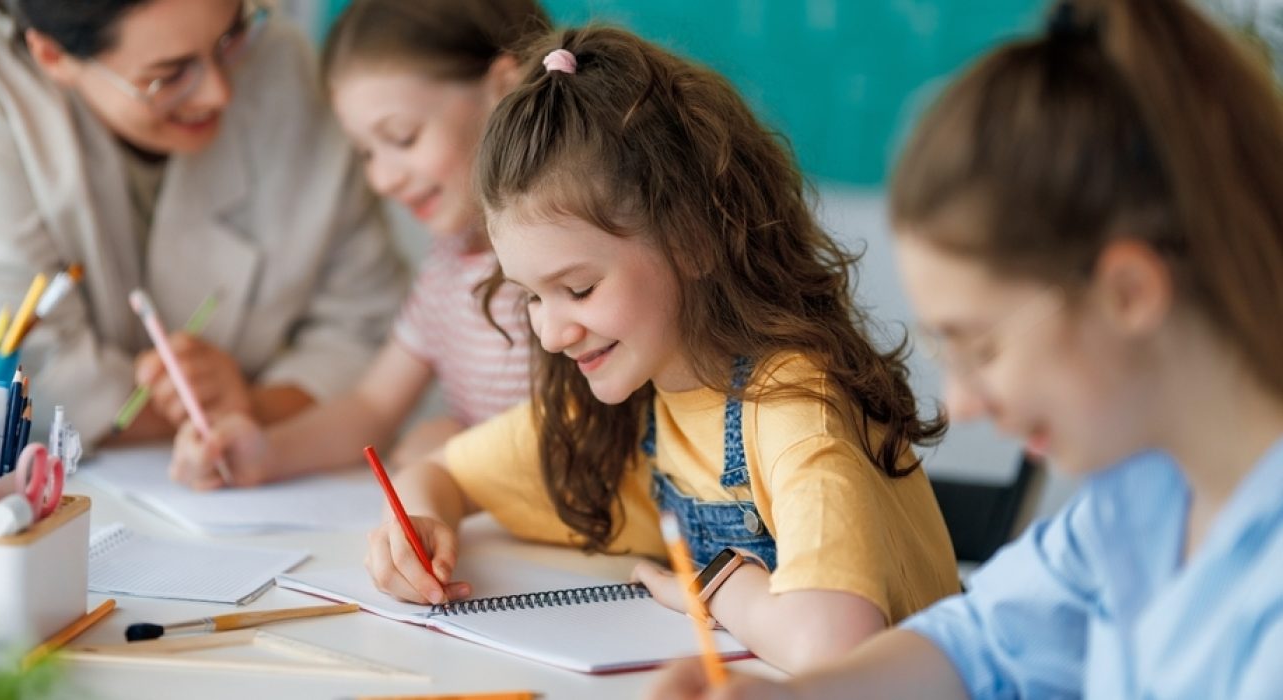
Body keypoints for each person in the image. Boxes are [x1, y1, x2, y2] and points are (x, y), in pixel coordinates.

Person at [648, 0, 1283, 697]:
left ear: (1128, 293)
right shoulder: (1138, 498)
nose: (961, 402)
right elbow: (980, 643)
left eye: (980, 347)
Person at [364, 26, 961, 673]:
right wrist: (416, 524)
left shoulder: (791, 406)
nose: (551, 332)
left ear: (693, 241)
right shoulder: (632, 401)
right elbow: (442, 473)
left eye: (579, 288)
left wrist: (715, 587)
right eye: (532, 297)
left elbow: (836, 645)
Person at [0, 0, 407, 443]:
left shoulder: (281, 65)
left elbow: (365, 320)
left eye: (231, 37)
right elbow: (30, 378)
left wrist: (252, 407)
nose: (219, 92)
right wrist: (193, 417)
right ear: (53, 55)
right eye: (170, 74)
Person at [168, 0, 549, 489]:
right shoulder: (449, 264)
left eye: (402, 137)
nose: (382, 179)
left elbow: (601, 444)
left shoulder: (562, 266)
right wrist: (264, 452)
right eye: (366, 151)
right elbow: (371, 407)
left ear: (502, 89)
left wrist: (459, 456)